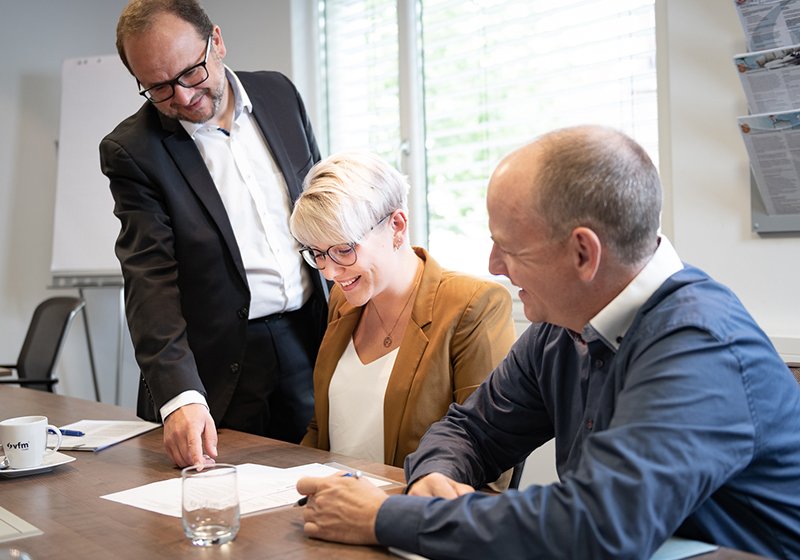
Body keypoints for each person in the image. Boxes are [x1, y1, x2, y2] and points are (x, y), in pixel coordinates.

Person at [296, 126, 800, 559]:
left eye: (509, 247)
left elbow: (597, 528)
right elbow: (471, 431)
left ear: (583, 253)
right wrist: (434, 477)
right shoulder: (562, 330)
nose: (494, 265)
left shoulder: (700, 345)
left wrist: (389, 517)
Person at [99, 0, 328, 468]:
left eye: (191, 73)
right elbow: (150, 281)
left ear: (216, 42)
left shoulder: (279, 94)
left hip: (311, 340)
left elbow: (326, 208)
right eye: (158, 88)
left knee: (318, 496)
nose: (182, 97)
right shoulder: (133, 152)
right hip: (217, 370)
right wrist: (180, 395)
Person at [289, 151, 516, 468]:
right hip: (332, 504)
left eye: (344, 249)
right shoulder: (344, 300)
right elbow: (322, 428)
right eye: (318, 254)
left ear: (396, 226)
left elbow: (489, 450)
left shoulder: (472, 304)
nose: (329, 272)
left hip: (413, 509)